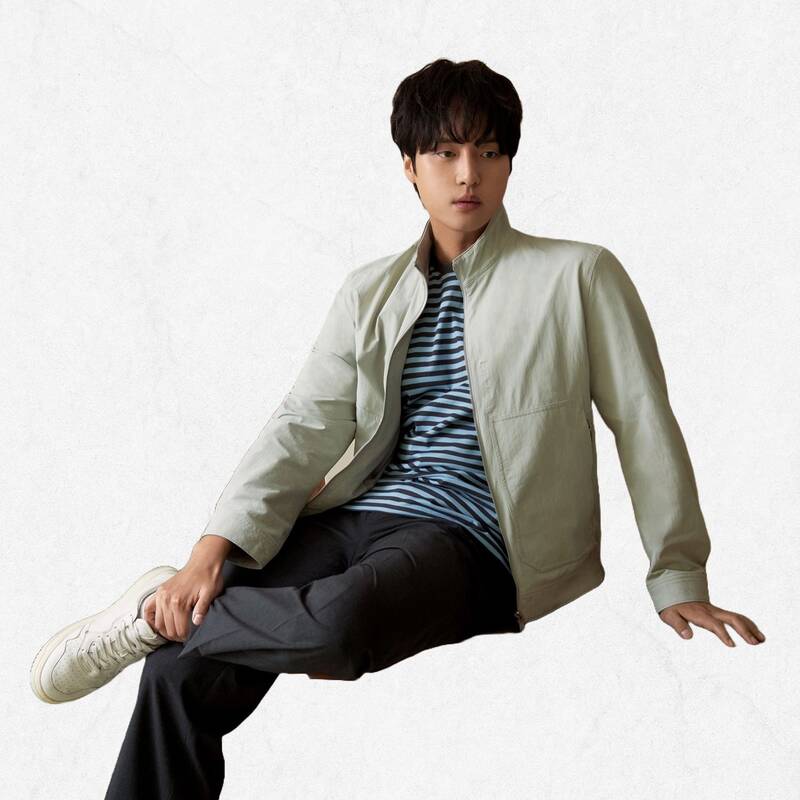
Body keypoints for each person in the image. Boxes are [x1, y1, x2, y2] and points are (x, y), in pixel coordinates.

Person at [29, 58, 765, 799]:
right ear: (410, 166)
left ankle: (157, 616)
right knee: (175, 674)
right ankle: (163, 620)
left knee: (338, 627)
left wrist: (677, 573)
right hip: (357, 513)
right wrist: (207, 554)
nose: (468, 173)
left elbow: (642, 421)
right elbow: (304, 425)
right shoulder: (369, 291)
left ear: (509, 162)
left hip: (475, 541)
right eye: (445, 153)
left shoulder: (578, 276)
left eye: (488, 151)